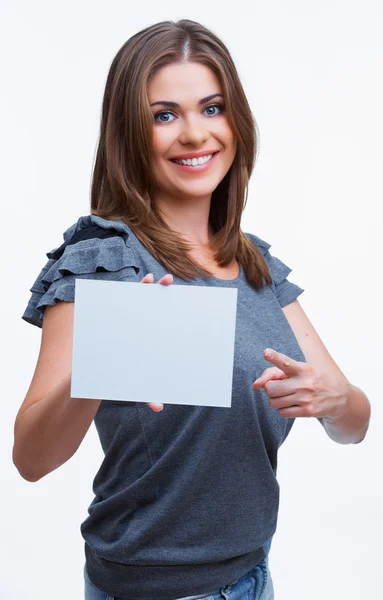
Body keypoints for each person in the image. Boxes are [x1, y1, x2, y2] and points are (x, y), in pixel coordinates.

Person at [13, 19, 371, 600]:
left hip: (253, 579)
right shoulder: (106, 258)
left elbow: (353, 423)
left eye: (211, 108)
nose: (194, 134)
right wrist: (101, 364)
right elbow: (30, 458)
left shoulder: (254, 264)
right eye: (164, 115)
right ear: (131, 132)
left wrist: (337, 401)